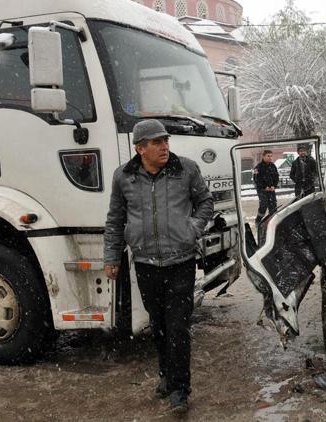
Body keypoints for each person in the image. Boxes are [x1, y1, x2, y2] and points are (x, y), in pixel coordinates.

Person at [104, 119, 213, 415]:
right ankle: (166, 375)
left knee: (178, 326)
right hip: (146, 263)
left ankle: (180, 389)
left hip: (181, 261)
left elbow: (205, 202)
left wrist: (192, 228)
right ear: (140, 148)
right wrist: (112, 257)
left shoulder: (186, 169)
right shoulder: (123, 177)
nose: (164, 146)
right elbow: (115, 220)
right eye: (156, 142)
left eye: (165, 140)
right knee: (160, 326)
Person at [253, 150, 279, 225]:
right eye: (268, 156)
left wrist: (274, 186)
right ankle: (258, 220)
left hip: (271, 189)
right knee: (263, 205)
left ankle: (273, 222)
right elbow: (256, 180)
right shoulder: (258, 167)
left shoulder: (273, 166)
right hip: (262, 190)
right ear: (263, 156)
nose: (270, 158)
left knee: (273, 206)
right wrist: (264, 187)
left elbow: (276, 177)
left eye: (271, 156)